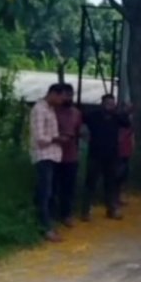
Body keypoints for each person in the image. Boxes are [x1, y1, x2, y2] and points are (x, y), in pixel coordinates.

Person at [81, 94, 131, 221]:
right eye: (108, 103)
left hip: (112, 156)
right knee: (90, 183)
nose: (110, 106)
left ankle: (111, 209)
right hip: (95, 154)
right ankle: (86, 211)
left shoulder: (117, 117)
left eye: (112, 103)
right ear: (102, 104)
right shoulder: (93, 116)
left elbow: (127, 124)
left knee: (111, 183)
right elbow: (81, 121)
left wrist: (125, 112)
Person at [31, 84, 68, 242]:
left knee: (50, 192)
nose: (62, 101)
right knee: (44, 193)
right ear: (53, 94)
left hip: (53, 156)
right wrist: (57, 139)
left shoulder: (50, 109)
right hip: (44, 155)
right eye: (61, 97)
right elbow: (40, 138)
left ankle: (48, 224)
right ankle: (45, 228)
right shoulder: (40, 109)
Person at [52, 83, 82, 227]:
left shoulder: (76, 113)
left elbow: (78, 132)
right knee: (53, 187)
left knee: (69, 188)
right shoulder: (52, 111)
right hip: (54, 155)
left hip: (71, 156)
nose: (69, 98)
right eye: (66, 95)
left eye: (71, 95)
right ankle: (52, 215)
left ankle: (67, 215)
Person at [116, 102, 134, 206]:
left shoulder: (129, 121)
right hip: (118, 153)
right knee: (118, 176)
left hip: (125, 153)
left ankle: (119, 196)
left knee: (123, 176)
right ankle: (116, 197)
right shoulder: (118, 121)